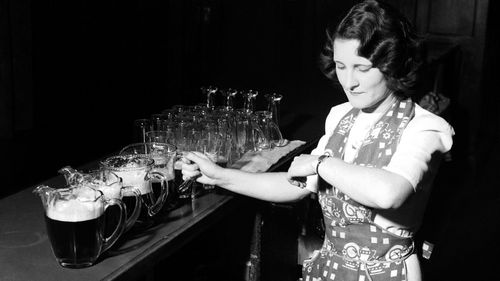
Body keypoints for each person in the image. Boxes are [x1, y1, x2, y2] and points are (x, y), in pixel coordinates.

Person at [181, 0, 454, 280]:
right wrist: (220, 176)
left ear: (392, 64)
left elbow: (389, 194)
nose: (349, 82)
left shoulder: (424, 127)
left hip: (388, 272)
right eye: (340, 65)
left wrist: (320, 163)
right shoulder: (340, 117)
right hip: (331, 270)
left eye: (362, 68)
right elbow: (295, 185)